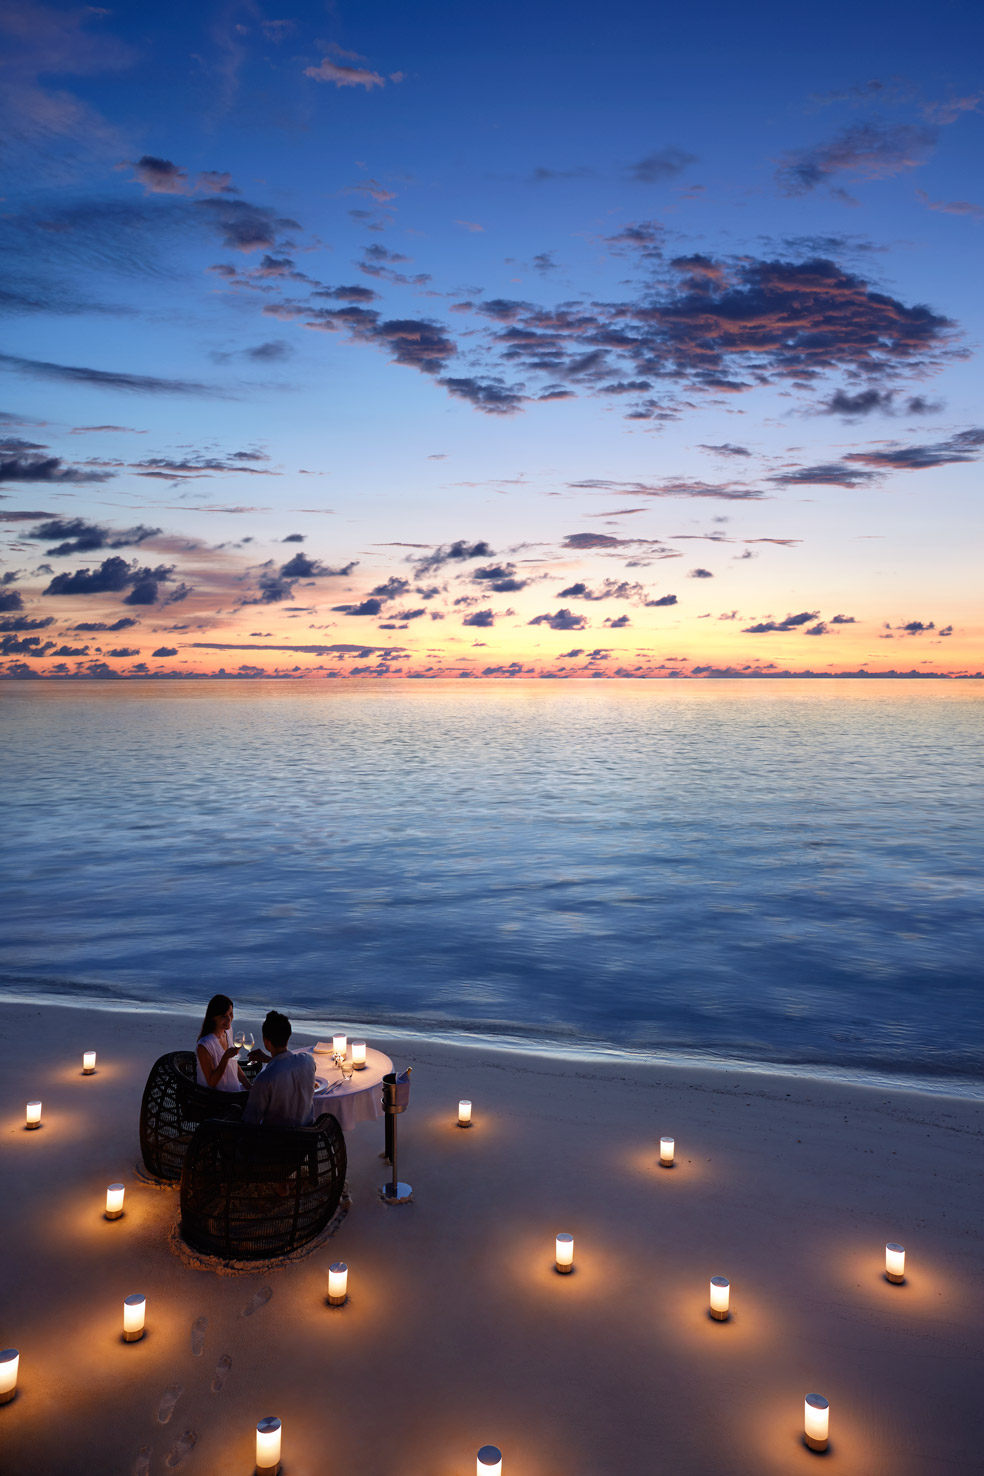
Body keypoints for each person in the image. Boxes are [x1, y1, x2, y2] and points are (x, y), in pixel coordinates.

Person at [243, 1010, 316, 1128]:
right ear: (289, 1034)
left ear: (266, 1042)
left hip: (278, 1143)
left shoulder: (264, 1079)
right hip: (308, 1138)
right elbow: (288, 1067)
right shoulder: (308, 1061)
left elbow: (251, 1121)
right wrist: (270, 1060)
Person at [196, 994, 251, 1091]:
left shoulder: (228, 1032)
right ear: (213, 1017)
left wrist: (249, 1086)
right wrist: (225, 1058)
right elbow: (211, 1083)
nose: (229, 1019)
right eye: (223, 1016)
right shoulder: (204, 1045)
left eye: (230, 1014)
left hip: (234, 1091)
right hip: (219, 1098)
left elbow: (234, 1065)